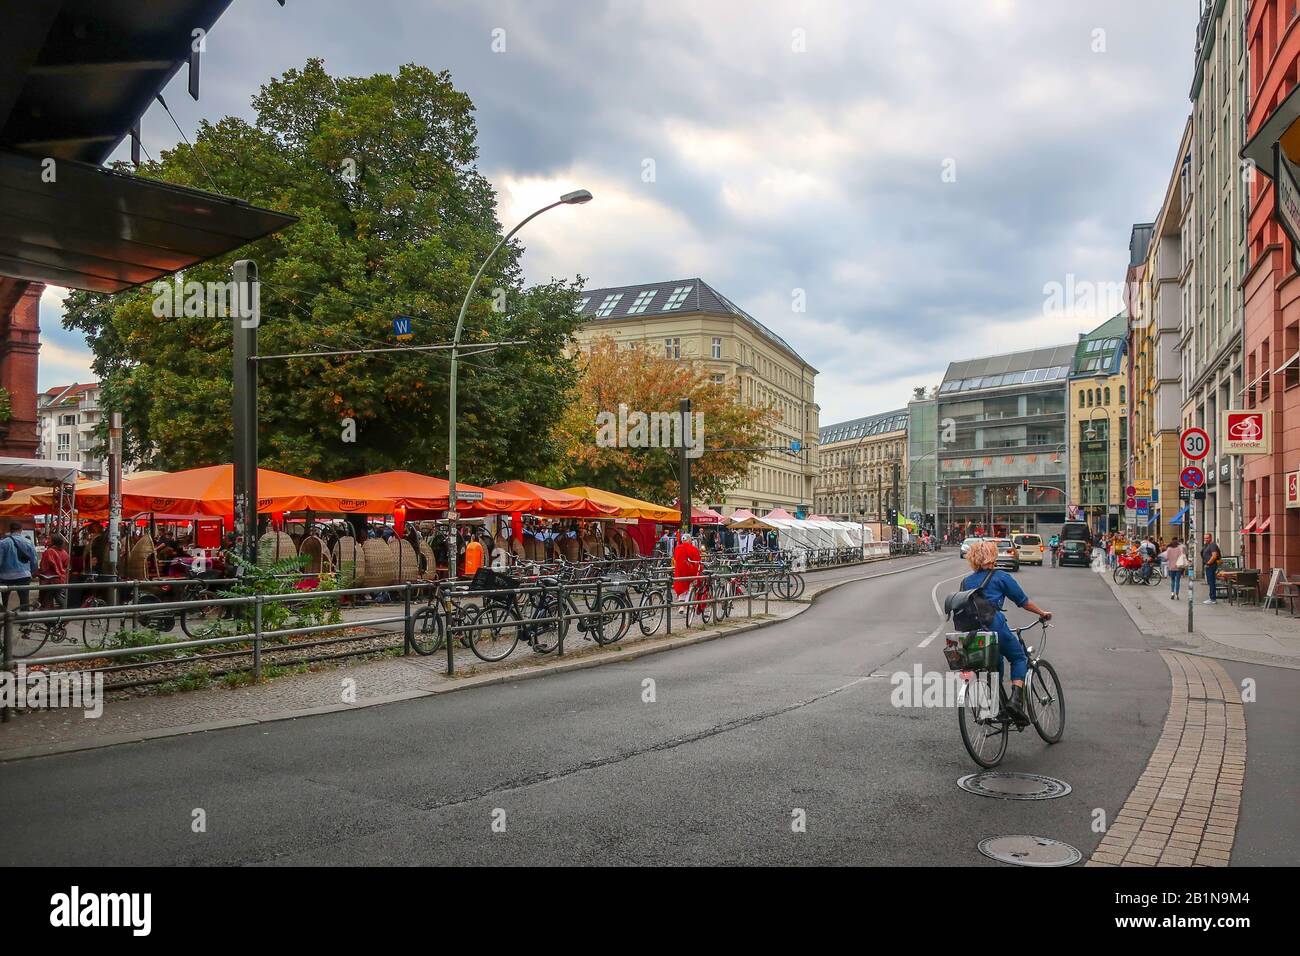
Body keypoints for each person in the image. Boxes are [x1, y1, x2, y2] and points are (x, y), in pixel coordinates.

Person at [959, 540, 1053, 719]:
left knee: (995, 663)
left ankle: (995, 705)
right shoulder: (1000, 577)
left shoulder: (965, 582)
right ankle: (1015, 701)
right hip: (995, 626)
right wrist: (1042, 613)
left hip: (972, 632)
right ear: (992, 556)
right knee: (1018, 657)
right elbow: (1023, 601)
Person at [0, 521, 38, 612]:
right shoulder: (28, 542)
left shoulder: (3, 543)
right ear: (21, 530)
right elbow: (34, 559)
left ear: (10, 530)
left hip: (5, 576)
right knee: (24, 599)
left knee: (4, 599)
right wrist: (32, 572)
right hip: (23, 574)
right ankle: (24, 621)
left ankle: (4, 619)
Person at [38, 531, 70, 611]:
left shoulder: (49, 552)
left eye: (49, 539)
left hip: (49, 579)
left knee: (47, 598)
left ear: (53, 541)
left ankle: (50, 616)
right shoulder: (64, 552)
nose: (47, 541)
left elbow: (44, 567)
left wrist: (35, 574)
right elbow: (66, 565)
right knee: (57, 595)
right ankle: (64, 612)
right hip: (60, 578)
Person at [672, 531, 702, 613]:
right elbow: (697, 560)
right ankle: (685, 605)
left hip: (679, 571)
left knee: (681, 586)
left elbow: (675, 559)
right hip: (690, 571)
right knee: (690, 587)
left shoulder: (677, 548)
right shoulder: (693, 548)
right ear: (689, 540)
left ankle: (681, 606)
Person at [1201, 533, 1222, 605]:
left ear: (1211, 538)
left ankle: (1213, 599)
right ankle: (1212, 598)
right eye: (1205, 538)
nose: (1206, 539)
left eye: (1207, 538)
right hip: (1209, 566)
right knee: (1210, 582)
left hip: (1211, 566)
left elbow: (1214, 556)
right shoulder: (1208, 545)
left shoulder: (1212, 545)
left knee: (1211, 582)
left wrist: (1208, 563)